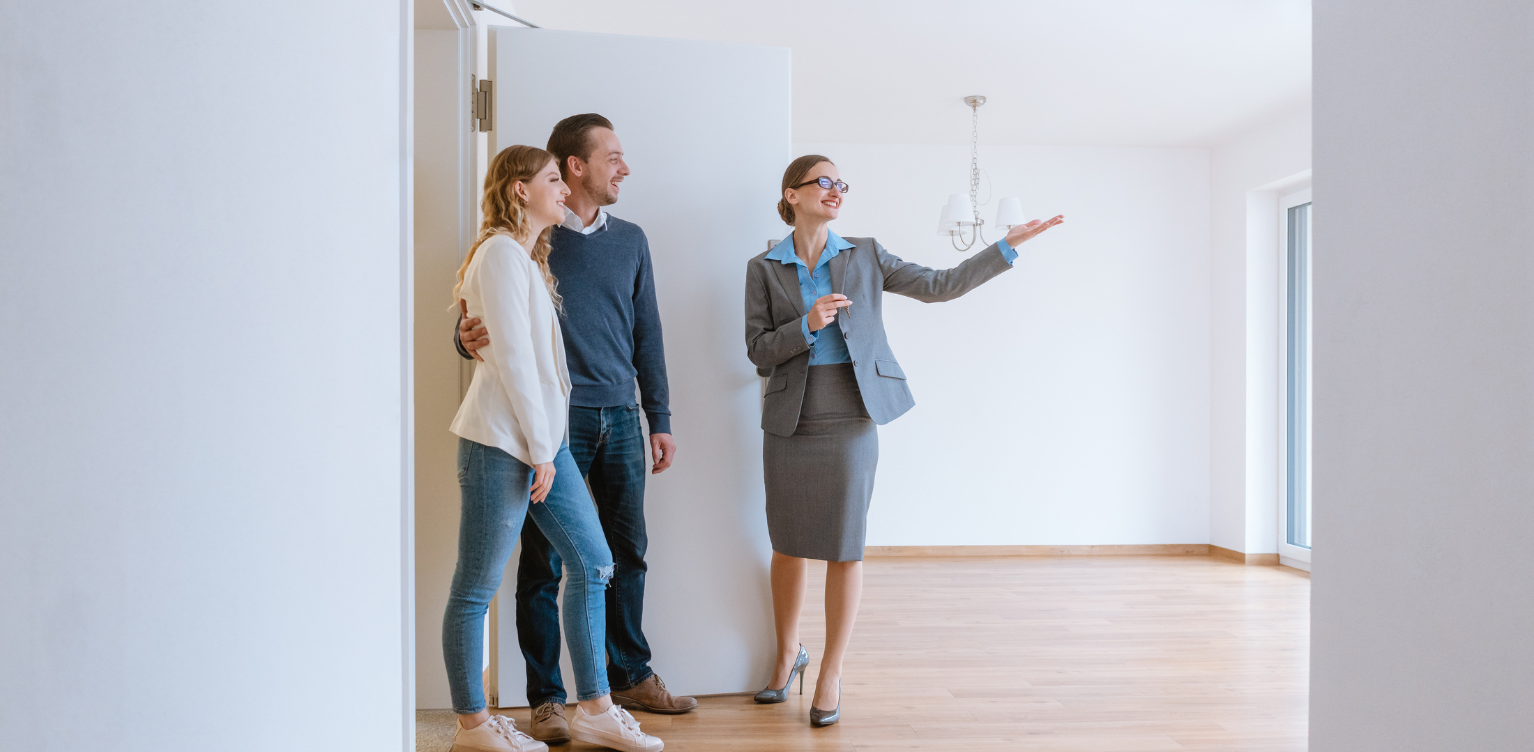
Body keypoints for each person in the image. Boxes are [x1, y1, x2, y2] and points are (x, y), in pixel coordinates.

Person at [743, 154, 1064, 727]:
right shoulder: (763, 267)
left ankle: (831, 673)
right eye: (824, 182)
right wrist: (807, 325)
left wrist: (1006, 247)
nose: (836, 190)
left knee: (844, 543)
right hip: (790, 416)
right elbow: (759, 351)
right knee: (787, 542)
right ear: (792, 194)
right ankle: (787, 655)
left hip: (851, 411)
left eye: (842, 184)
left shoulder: (864, 253)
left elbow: (939, 286)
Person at [457, 114, 693, 745]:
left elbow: (649, 333)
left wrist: (658, 416)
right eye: (611, 156)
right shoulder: (528, 241)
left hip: (615, 413)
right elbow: (488, 327)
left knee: (618, 554)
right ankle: (547, 701)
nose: (624, 167)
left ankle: (626, 677)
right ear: (575, 166)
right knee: (542, 565)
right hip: (550, 423)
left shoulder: (626, 239)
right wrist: (462, 337)